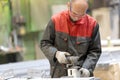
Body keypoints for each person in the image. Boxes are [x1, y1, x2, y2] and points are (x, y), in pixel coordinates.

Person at [40, 0, 101, 78]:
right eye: (75, 13)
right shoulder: (56, 20)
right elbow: (44, 43)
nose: (77, 17)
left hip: (81, 74)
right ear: (68, 6)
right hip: (59, 74)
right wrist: (56, 54)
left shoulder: (92, 24)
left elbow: (95, 51)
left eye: (81, 15)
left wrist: (87, 68)